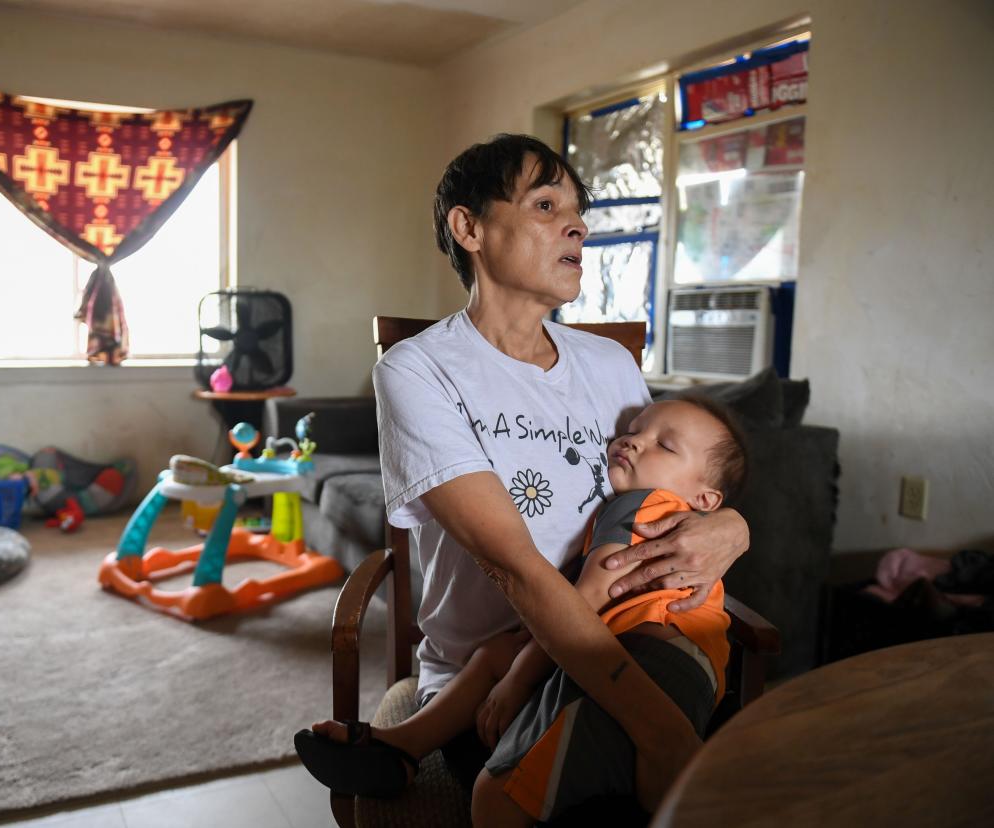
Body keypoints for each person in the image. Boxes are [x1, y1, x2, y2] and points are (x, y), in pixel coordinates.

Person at [296, 134, 751, 811]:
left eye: (577, 209)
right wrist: (662, 732)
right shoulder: (418, 370)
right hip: (489, 686)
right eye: (545, 203)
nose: (577, 224)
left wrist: (733, 525)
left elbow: (674, 484)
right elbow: (517, 568)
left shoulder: (610, 365)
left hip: (622, 639)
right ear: (469, 226)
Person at [295, 396, 747, 826]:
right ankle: (405, 745)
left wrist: (520, 680)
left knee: (496, 798)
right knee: (496, 653)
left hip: (645, 663)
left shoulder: (643, 504)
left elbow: (585, 604)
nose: (632, 441)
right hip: (673, 668)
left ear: (706, 501)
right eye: (632, 431)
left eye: (664, 446)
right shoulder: (666, 514)